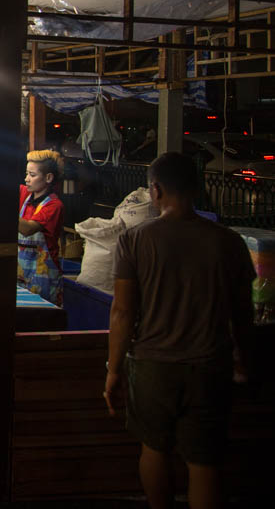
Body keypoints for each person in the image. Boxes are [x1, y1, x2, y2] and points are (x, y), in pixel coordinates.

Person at [105, 153, 254, 509]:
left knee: (154, 448)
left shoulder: (135, 240)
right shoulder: (229, 242)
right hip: (208, 365)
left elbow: (123, 312)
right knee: (204, 462)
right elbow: (242, 314)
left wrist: (113, 370)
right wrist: (244, 360)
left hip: (153, 366)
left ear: (155, 190)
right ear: (198, 188)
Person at [17, 149, 67, 306]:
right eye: (26, 174)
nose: (27, 179)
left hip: (45, 280)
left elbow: (28, 229)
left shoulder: (54, 206)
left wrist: (3, 206)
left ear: (48, 178)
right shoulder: (25, 194)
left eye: (32, 175)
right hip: (21, 276)